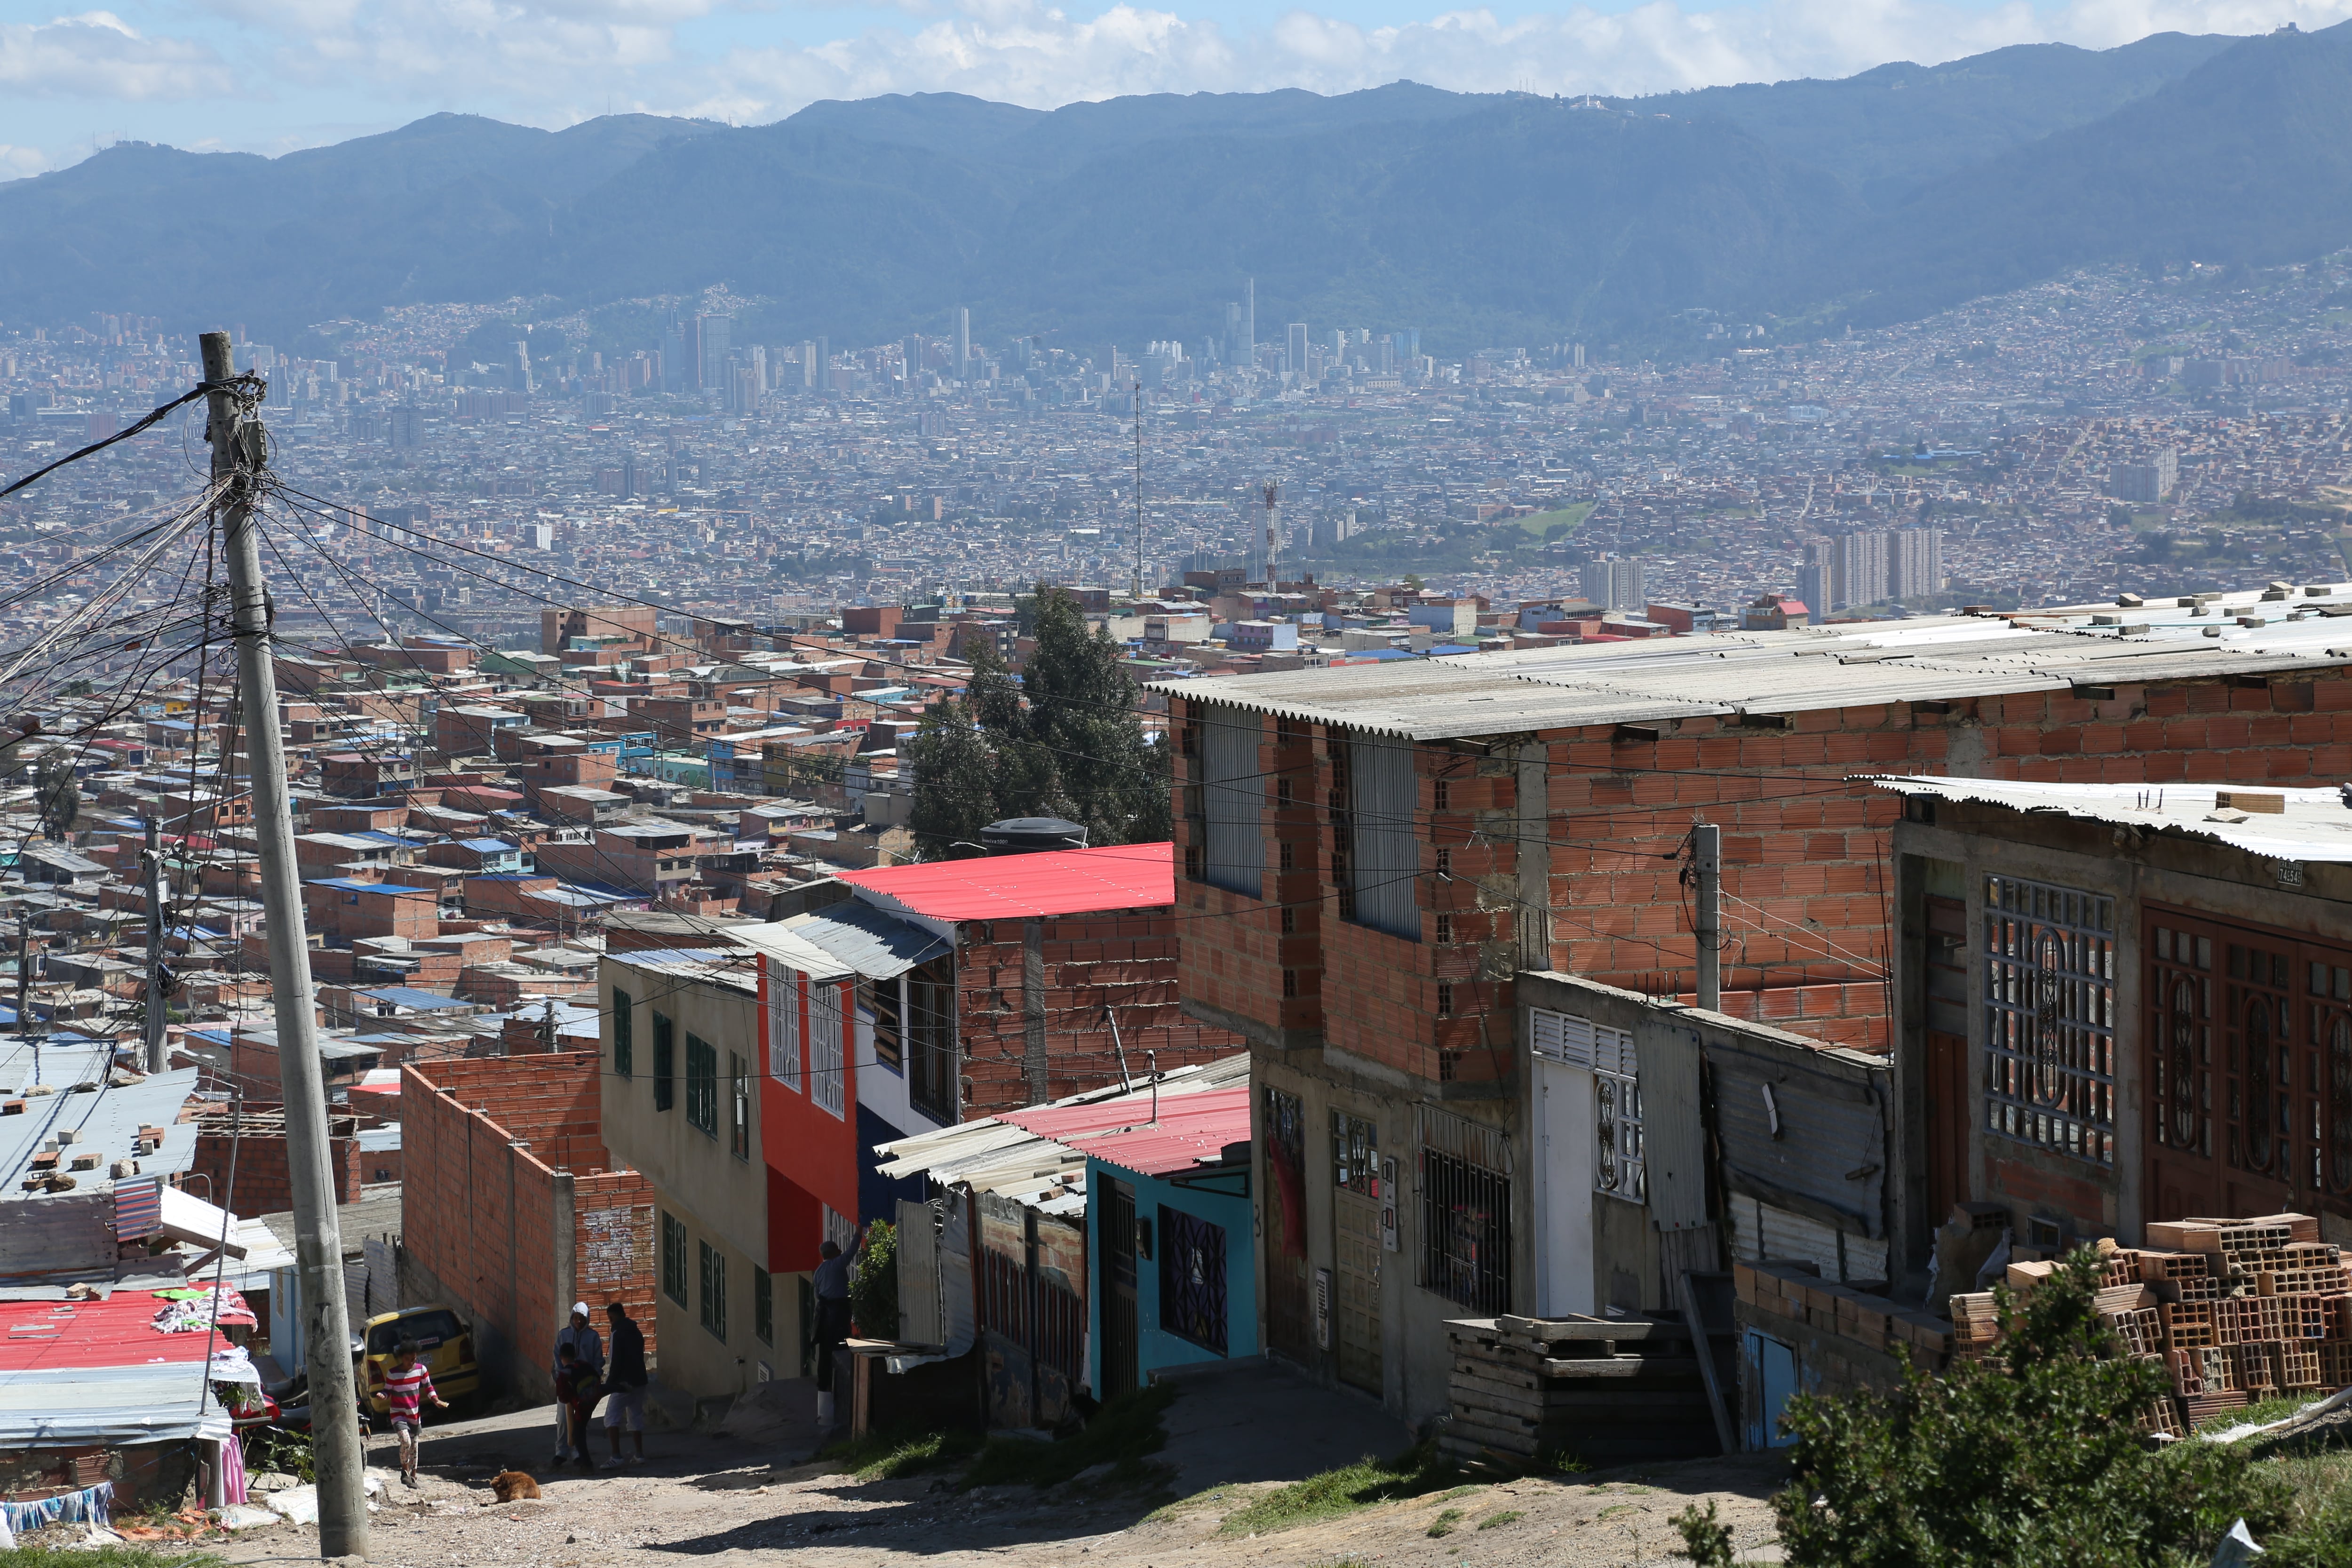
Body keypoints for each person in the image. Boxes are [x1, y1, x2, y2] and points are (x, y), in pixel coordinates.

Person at [812, 1228, 862, 1429]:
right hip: (837, 1312)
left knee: (825, 1355)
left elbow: (817, 1295)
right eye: (837, 1250)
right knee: (841, 1349)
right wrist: (859, 1233)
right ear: (832, 1254)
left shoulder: (819, 1272)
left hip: (823, 1315)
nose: (841, 1252)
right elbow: (852, 1251)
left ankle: (823, 1409)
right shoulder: (837, 1264)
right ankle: (845, 1393)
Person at [381, 1339, 448, 1490]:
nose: (412, 1362)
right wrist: (382, 1395)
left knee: (415, 1446)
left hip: (414, 1415)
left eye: (414, 1359)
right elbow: (387, 1390)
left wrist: (436, 1400)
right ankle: (404, 1471)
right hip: (398, 1414)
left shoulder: (421, 1370)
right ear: (401, 1358)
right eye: (408, 1359)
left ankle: (414, 1476)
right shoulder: (393, 1373)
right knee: (406, 1441)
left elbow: (429, 1387)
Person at [551, 1302, 604, 1466]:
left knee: (581, 1420)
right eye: (576, 1318)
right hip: (566, 1384)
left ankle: (578, 1452)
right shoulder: (563, 1335)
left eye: (582, 1318)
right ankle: (561, 1451)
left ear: (586, 1319)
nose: (578, 1322)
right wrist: (563, 1377)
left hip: (584, 1386)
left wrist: (592, 1379)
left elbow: (597, 1361)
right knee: (562, 1419)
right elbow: (557, 1358)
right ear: (572, 1317)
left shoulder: (593, 1337)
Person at [603, 1301, 648, 1466]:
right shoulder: (636, 1331)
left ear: (614, 1317)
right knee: (635, 1416)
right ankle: (640, 1454)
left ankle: (616, 1456)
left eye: (610, 1319)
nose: (610, 1323)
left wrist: (609, 1384)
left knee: (611, 1418)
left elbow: (615, 1361)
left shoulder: (617, 1333)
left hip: (624, 1383)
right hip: (640, 1380)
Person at [554, 1343, 603, 1472]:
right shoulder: (584, 1366)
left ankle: (585, 1462)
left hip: (579, 1404)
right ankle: (576, 1457)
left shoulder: (565, 1374)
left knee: (577, 1433)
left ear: (561, 1358)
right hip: (588, 1401)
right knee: (577, 1430)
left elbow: (563, 1397)